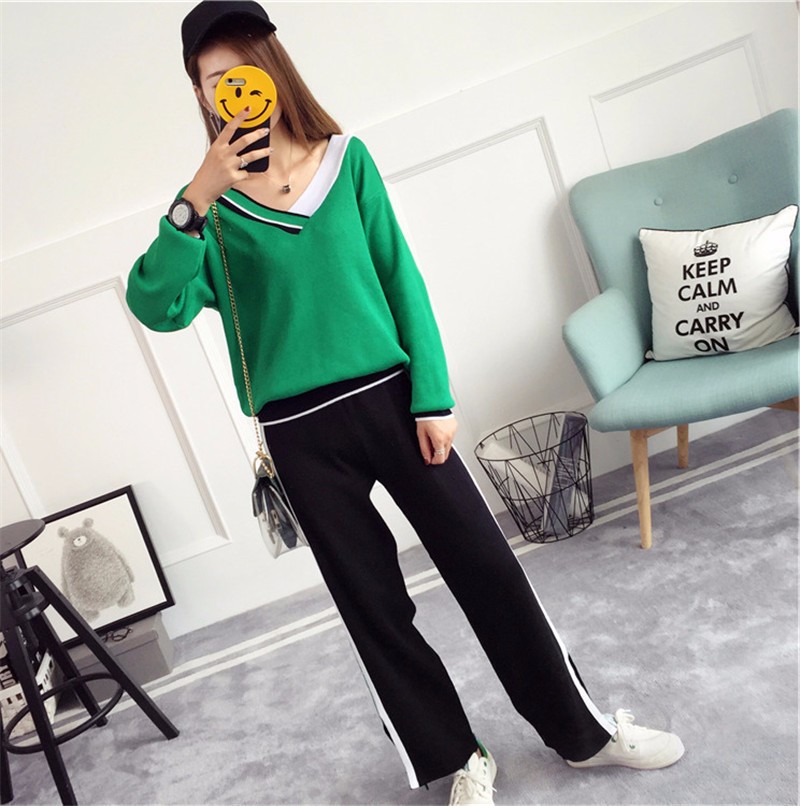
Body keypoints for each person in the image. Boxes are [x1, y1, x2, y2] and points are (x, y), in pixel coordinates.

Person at [127, 3, 685, 803]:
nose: (228, 88)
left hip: (394, 403)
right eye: (212, 80)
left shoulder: (345, 161)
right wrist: (193, 200)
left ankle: (582, 733)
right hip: (299, 434)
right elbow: (157, 307)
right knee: (374, 608)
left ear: (270, 68)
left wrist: (433, 397)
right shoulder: (208, 215)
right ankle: (458, 759)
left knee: (488, 567)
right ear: (201, 95)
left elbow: (401, 280)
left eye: (239, 69)